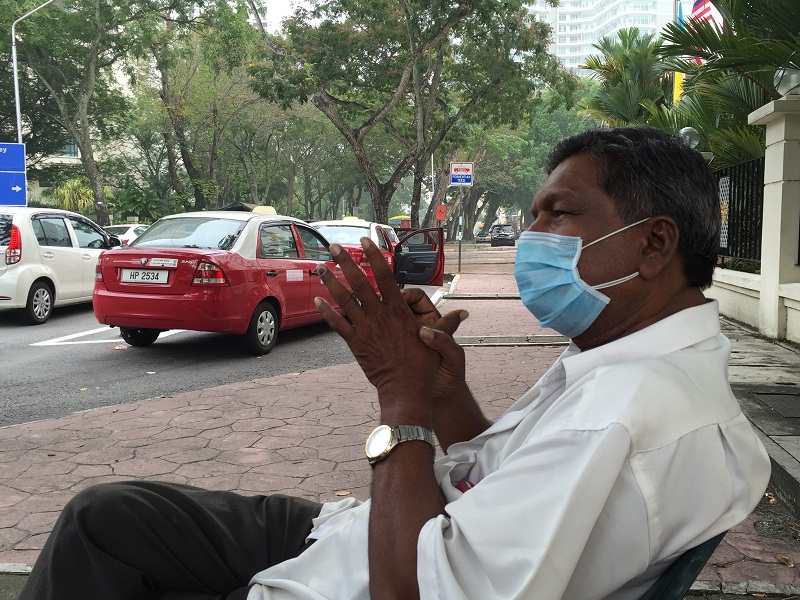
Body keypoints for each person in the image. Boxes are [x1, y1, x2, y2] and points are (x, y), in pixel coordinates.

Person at [19, 127, 770, 600]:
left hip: (372, 567)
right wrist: (447, 396)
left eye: (560, 214)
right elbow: (497, 475)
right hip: (361, 531)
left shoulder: (626, 412)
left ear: (654, 244)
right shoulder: (628, 363)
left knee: (98, 532)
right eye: (535, 211)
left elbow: (411, 590)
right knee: (110, 515)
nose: (531, 234)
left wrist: (400, 400)